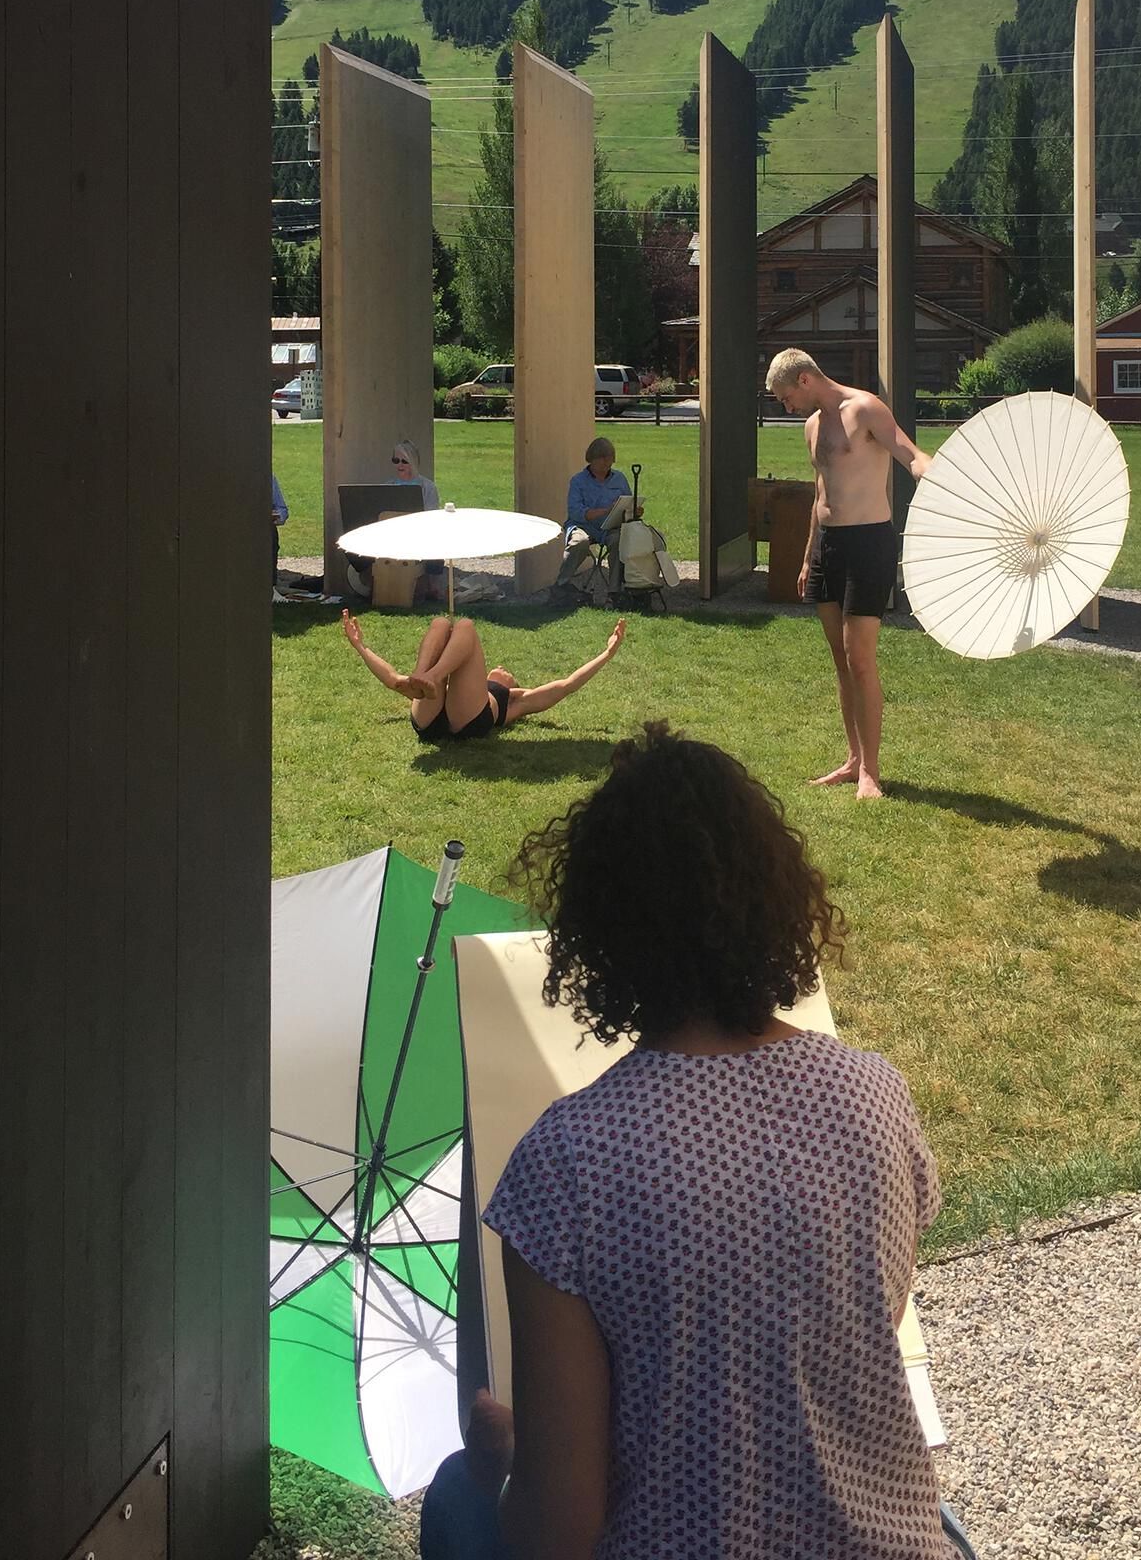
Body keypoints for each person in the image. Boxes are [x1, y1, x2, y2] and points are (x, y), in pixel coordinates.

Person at [419, 722, 948, 1559]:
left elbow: (558, 1534)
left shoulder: (568, 1166)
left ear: (600, 933)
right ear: (774, 897)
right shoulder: (874, 1093)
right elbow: (832, 1347)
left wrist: (504, 1464)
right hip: (891, 1544)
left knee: (454, 1496)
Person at [765, 347, 932, 801]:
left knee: (860, 661)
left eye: (785, 397)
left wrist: (934, 477)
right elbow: (821, 493)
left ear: (803, 379)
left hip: (868, 544)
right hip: (827, 548)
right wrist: (806, 557)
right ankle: (854, 759)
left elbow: (909, 453)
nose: (787, 406)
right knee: (841, 663)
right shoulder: (812, 425)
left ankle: (872, 773)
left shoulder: (864, 409)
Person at [341, 609, 626, 745]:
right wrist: (359, 645)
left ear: (510, 685)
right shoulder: (471, 683)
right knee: (442, 623)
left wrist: (607, 654)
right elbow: (391, 678)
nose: (504, 669)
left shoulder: (514, 700)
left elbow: (565, 686)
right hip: (433, 706)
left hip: (467, 720)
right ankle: (425, 675)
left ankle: (430, 675)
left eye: (510, 675)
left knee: (464, 625)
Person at [553, 437, 642, 601]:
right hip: (583, 525)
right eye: (602, 459)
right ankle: (562, 584)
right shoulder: (578, 481)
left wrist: (633, 510)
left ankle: (615, 591)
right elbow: (575, 512)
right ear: (592, 459)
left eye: (609, 460)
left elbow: (627, 502)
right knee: (579, 542)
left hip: (611, 527)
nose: (606, 464)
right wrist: (605, 511)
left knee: (619, 541)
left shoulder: (619, 478)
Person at [390, 438, 446, 601]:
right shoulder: (389, 486)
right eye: (396, 460)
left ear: (413, 461)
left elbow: (431, 514)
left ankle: (432, 587)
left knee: (436, 542)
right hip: (393, 532)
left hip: (420, 532)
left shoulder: (427, 487)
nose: (399, 465)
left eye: (404, 461)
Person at [271, 472, 289, 590]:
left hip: (263, 529)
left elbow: (282, 510)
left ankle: (270, 583)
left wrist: (276, 517)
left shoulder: (267, 477)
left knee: (271, 535)